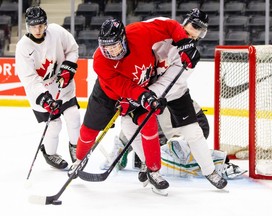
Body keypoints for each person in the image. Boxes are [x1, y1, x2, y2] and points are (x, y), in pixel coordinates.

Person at [69, 16, 196, 194]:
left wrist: (184, 43)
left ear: (123, 39)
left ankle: (153, 171)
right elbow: (123, 87)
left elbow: (169, 26)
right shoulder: (100, 60)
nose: (111, 52)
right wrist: (144, 96)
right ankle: (79, 159)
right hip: (108, 95)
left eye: (115, 46)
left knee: (149, 125)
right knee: (90, 129)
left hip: (141, 88)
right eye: (107, 47)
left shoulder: (139, 32)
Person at [105, 9, 228, 190]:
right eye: (188, 31)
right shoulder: (160, 30)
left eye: (196, 36)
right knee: (135, 127)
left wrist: (149, 96)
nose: (191, 38)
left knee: (193, 132)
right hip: (146, 89)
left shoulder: (190, 55)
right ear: (183, 24)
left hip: (174, 93)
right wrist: (136, 95)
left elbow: (172, 82)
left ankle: (210, 171)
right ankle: (148, 163)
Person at [102, 100, 247, 180]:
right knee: (159, 150)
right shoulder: (140, 95)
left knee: (175, 155)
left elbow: (176, 139)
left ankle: (219, 164)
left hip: (193, 123)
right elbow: (133, 125)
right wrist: (120, 149)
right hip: (167, 128)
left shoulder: (157, 95)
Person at [15, 6, 81, 170]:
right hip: (39, 90)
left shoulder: (57, 32)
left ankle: (76, 148)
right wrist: (44, 97)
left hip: (61, 83)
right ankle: (50, 153)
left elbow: (73, 49)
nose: (38, 30)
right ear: (27, 26)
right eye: (33, 26)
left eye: (41, 25)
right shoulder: (23, 47)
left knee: (73, 115)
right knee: (54, 124)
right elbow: (29, 78)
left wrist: (68, 67)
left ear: (46, 24)